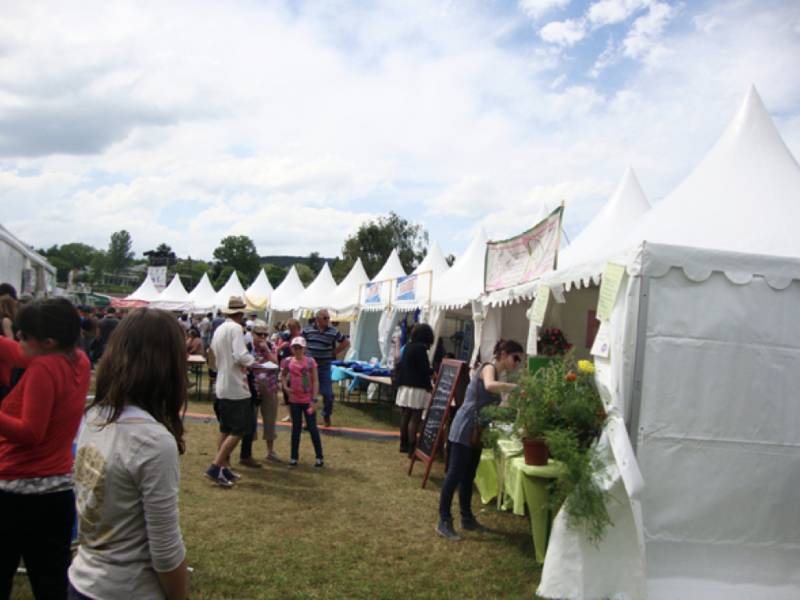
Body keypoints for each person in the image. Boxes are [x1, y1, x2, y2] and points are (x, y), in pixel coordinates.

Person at [68, 308, 188, 600]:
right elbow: (165, 550)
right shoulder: (153, 441)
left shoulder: (93, 417)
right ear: (170, 366)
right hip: (128, 589)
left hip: (82, 579)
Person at [0, 298, 91, 599]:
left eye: (24, 335)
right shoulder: (78, 360)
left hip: (16, 491)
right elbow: (17, 352)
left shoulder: (42, 369)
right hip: (58, 492)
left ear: (48, 342)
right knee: (51, 582)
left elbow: (30, 432)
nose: (18, 340)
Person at [436, 339, 523, 542]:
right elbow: (490, 386)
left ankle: (467, 518)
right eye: (515, 358)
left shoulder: (498, 373)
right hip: (466, 426)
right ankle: (444, 520)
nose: (517, 363)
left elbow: (492, 403)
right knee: (454, 475)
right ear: (503, 354)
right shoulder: (488, 368)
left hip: (477, 430)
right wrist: (515, 388)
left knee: (469, 475)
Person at [204, 297, 255, 487]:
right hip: (235, 387)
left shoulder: (219, 329)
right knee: (240, 429)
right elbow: (240, 355)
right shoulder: (236, 329)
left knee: (225, 429)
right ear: (240, 313)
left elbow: (214, 355)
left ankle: (223, 467)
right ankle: (216, 466)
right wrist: (253, 362)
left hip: (222, 384)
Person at [280, 337, 323, 468]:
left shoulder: (310, 362)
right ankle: (293, 458)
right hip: (294, 400)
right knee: (295, 429)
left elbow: (315, 381)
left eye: (300, 347)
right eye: (295, 347)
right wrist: (285, 387)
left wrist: (314, 399)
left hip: (307, 400)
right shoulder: (287, 361)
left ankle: (319, 457)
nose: (297, 350)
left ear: (304, 349)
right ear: (292, 348)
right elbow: (282, 375)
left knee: (312, 428)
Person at [301, 309, 349, 427]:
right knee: (307, 393)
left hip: (324, 367)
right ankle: (309, 420)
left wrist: (334, 352)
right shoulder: (307, 330)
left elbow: (345, 342)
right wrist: (303, 354)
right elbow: (300, 342)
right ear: (317, 319)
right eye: (325, 318)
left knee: (328, 395)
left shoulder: (333, 331)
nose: (328, 320)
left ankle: (326, 414)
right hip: (309, 367)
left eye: (328, 318)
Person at [395, 323, 434, 456]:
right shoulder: (420, 349)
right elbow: (424, 370)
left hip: (405, 385)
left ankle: (403, 444)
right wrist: (432, 372)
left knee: (405, 415)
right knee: (415, 418)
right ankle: (412, 449)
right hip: (416, 387)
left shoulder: (408, 347)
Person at [249, 320, 281, 463]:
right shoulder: (248, 347)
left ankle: (270, 450)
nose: (262, 337)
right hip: (253, 387)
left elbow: (276, 363)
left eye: (265, 334)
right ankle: (248, 451)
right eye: (259, 334)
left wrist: (267, 350)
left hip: (270, 386)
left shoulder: (271, 346)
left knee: (270, 418)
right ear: (252, 334)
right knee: (251, 419)